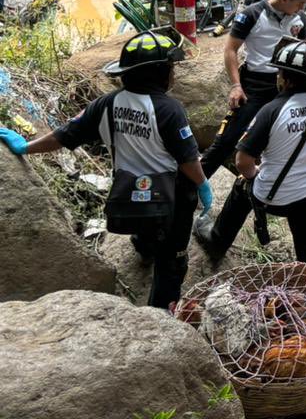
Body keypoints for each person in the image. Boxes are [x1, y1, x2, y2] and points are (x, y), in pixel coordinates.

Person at [0, 30, 214, 309]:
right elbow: (187, 160)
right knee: (172, 262)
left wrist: (26, 147)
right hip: (170, 198)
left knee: (147, 229)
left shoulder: (107, 104)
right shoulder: (169, 109)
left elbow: (64, 135)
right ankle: (160, 314)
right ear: (160, 73)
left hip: (128, 196)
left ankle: (145, 245)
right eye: (171, 67)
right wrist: (203, 185)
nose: (174, 73)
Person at [196, 38, 306, 268]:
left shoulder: (271, 110)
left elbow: (242, 161)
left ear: (284, 77)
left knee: (242, 186)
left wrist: (254, 175)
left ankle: (216, 242)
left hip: (274, 200)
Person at [195, 0, 306, 247]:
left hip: (286, 85)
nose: (301, 9)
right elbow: (230, 50)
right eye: (298, 3)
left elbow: (303, 48)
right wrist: (236, 86)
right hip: (255, 85)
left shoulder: (299, 19)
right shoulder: (251, 14)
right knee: (225, 142)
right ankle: (188, 190)